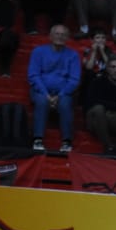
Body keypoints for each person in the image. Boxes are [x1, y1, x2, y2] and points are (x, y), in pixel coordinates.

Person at [27, 23, 79, 152]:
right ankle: (37, 139)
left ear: (67, 38)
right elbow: (33, 75)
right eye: (57, 34)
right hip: (41, 90)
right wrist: (46, 94)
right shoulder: (38, 52)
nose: (60, 37)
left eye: (63, 35)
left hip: (63, 92)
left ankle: (67, 141)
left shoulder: (73, 55)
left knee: (65, 103)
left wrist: (59, 95)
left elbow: (74, 79)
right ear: (50, 36)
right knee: (42, 101)